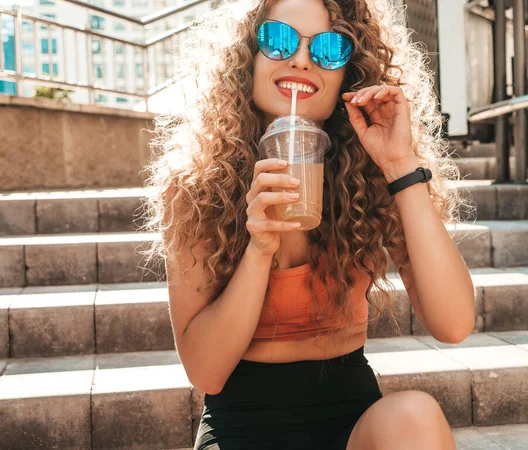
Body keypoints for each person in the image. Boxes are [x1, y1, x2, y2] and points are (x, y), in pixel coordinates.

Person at [141, 0, 476, 448]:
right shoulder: (197, 186)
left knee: (415, 416)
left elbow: (453, 324)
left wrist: (399, 166)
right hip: (242, 425)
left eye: (329, 48)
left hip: (350, 420)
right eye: (278, 40)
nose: (300, 59)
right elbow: (206, 373)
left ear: (347, 74)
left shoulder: (370, 176)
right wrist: (259, 250)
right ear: (249, 56)